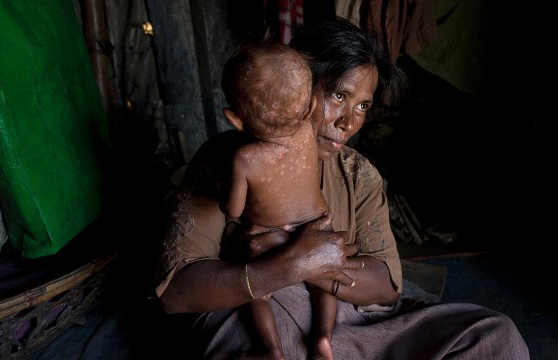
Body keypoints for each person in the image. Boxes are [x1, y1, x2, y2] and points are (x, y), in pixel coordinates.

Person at [153, 16, 530, 360]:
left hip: (349, 324)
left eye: (363, 106)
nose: (349, 121)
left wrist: (310, 263)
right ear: (299, 84)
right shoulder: (225, 158)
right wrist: (283, 269)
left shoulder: (358, 173)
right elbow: (176, 293)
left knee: (494, 337)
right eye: (338, 96)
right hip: (269, 315)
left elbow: (385, 285)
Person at [214, 39, 339, 360]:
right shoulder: (308, 131)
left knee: (257, 294)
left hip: (268, 236)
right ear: (311, 107)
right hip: (317, 223)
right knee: (322, 284)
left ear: (235, 119)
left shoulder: (245, 158)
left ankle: (272, 351)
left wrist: (222, 189)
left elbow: (234, 209)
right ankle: (323, 338)